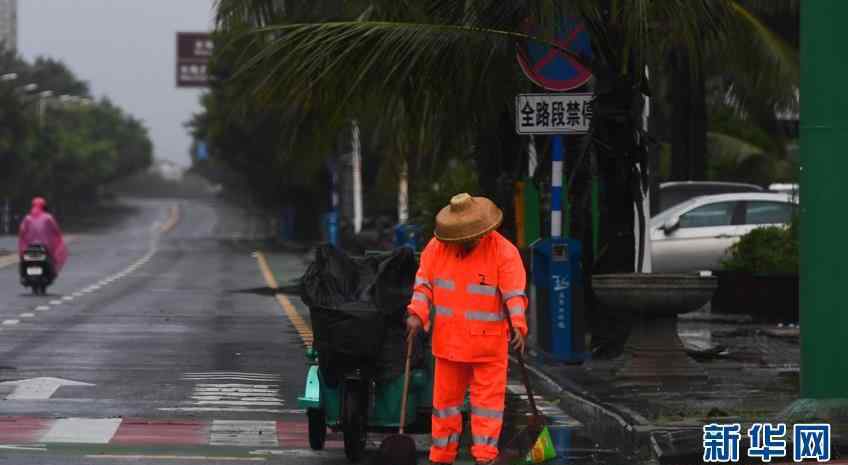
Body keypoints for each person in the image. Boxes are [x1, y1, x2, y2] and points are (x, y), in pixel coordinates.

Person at [406, 193, 528, 465]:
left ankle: (484, 456)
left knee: (487, 407)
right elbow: (424, 285)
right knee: (445, 407)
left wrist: (518, 325)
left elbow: (514, 295)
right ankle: (442, 456)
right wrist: (416, 313)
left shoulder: (503, 252)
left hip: (487, 346)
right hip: (449, 344)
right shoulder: (436, 248)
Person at [18, 197, 68, 284]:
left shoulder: (27, 218)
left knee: (23, 260)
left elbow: (22, 232)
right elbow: (56, 230)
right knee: (50, 260)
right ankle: (47, 275)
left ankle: (24, 276)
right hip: (44, 246)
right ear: (44, 207)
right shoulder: (48, 217)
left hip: (30, 247)